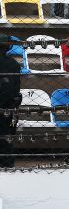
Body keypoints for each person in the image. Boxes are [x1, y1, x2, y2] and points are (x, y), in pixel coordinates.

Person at [0, 34, 21, 168]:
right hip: (6, 106)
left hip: (5, 102)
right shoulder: (13, 64)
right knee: (4, 135)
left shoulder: (13, 64)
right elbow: (15, 90)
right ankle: (6, 163)